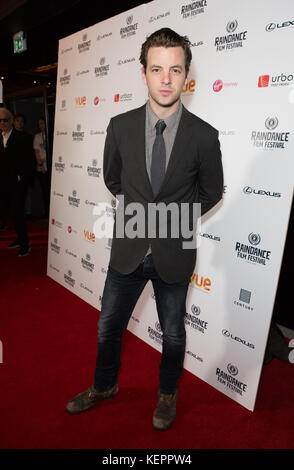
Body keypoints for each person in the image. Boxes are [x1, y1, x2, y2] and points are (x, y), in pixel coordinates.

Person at [66, 28, 224, 430]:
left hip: (176, 251)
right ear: (143, 73)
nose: (166, 79)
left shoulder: (204, 135)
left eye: (175, 70)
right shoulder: (119, 126)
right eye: (157, 69)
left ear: (187, 76)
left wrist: (171, 219)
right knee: (108, 326)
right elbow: (114, 180)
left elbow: (210, 192)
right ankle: (104, 387)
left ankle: (167, 396)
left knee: (173, 334)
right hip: (128, 248)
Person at [0, 107, 33, 256]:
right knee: (10, 214)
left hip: (18, 184)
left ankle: (25, 243)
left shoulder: (23, 137)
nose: (2, 123)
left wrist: (21, 177)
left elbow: (29, 161)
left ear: (11, 121)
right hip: (3, 183)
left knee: (16, 212)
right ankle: (20, 239)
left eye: (5, 120)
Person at [33, 117, 50, 217]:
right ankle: (46, 212)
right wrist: (41, 165)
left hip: (52, 167)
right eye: (39, 124)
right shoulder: (37, 137)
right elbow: (36, 152)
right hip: (41, 168)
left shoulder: (50, 135)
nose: (41, 125)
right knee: (44, 191)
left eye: (43, 123)